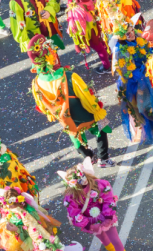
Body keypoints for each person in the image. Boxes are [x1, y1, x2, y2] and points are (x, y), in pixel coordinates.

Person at [27, 34, 116, 166]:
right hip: (83, 113)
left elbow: (42, 105)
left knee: (74, 135)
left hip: (66, 118)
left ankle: (88, 156)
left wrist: (56, 115)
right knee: (101, 127)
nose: (55, 54)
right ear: (50, 58)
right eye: (52, 51)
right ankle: (103, 159)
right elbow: (86, 96)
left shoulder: (36, 82)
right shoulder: (69, 76)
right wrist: (97, 110)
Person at [59, 158, 141, 251]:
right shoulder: (71, 196)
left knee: (115, 240)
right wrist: (90, 225)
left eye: (83, 177)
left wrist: (108, 219)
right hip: (91, 222)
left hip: (105, 217)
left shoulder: (100, 184)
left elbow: (108, 200)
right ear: (73, 185)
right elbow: (74, 213)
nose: (84, 181)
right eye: (79, 181)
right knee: (103, 239)